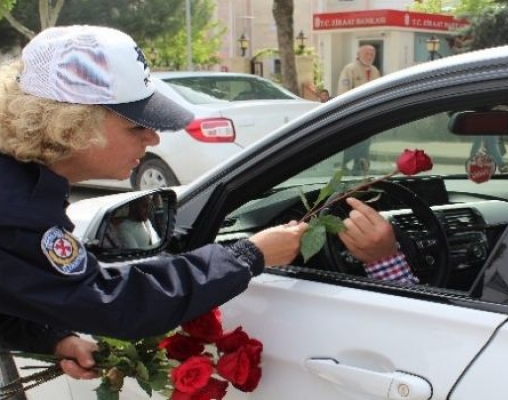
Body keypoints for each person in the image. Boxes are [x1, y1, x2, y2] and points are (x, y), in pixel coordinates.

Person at [0, 25, 307, 380]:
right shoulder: (17, 212)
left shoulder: (16, 185)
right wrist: (247, 256)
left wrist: (53, 339)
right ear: (71, 126)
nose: (153, 137)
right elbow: (117, 303)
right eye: (136, 127)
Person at [337, 45, 382, 175]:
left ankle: (361, 166)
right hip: (354, 113)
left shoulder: (374, 71)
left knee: (366, 142)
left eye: (372, 55)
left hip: (369, 114)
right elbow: (343, 92)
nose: (369, 57)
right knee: (353, 141)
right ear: (359, 54)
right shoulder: (350, 69)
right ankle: (345, 166)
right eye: (366, 54)